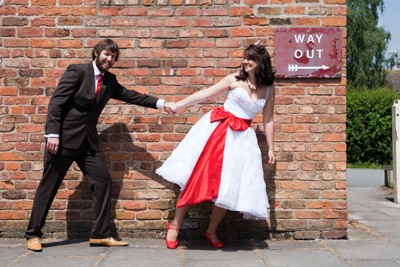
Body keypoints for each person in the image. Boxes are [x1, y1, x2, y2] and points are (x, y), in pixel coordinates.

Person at [25, 38, 177, 252]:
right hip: (62, 141)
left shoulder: (109, 81)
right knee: (49, 186)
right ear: (96, 53)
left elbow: (131, 96)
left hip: (87, 142)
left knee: (103, 180)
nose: (110, 59)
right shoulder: (77, 72)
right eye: (107, 54)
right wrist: (52, 133)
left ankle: (100, 234)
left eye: (113, 56)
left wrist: (163, 104)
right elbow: (57, 102)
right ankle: (33, 234)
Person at [156, 43, 276, 249]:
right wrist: (180, 104)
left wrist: (271, 148)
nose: (245, 61)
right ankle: (175, 225)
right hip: (219, 133)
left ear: (261, 62)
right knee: (197, 177)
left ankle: (211, 230)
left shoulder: (268, 89)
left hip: (242, 140)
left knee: (229, 186)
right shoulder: (234, 80)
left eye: (251, 58)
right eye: (245, 57)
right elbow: (206, 94)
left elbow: (268, 119)